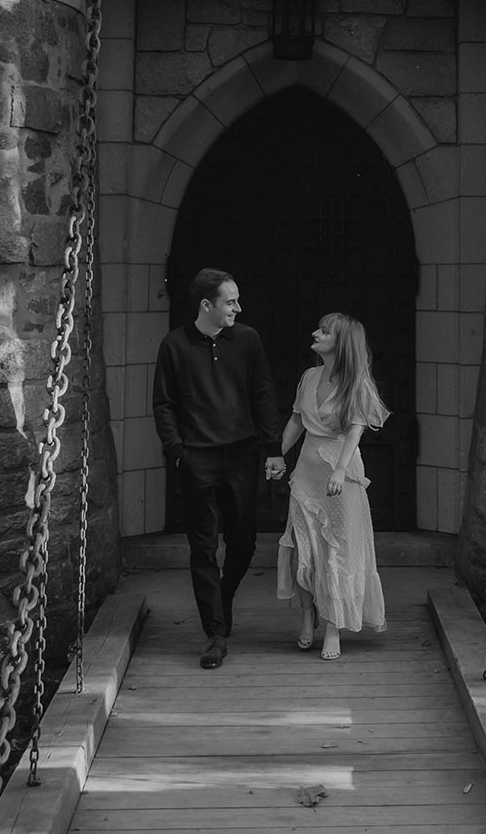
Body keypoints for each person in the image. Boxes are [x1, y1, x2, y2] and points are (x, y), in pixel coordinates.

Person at [152, 267, 281, 670]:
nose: (238, 308)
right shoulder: (174, 344)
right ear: (207, 305)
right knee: (203, 547)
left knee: (244, 542)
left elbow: (263, 393)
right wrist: (178, 451)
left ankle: (222, 599)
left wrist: (272, 449)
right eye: (230, 301)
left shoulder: (247, 339)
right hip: (197, 459)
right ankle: (215, 633)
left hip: (241, 455)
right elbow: (164, 403)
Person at [271, 312, 388, 660]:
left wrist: (339, 470)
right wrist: (277, 454)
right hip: (306, 473)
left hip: (340, 474)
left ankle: (334, 625)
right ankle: (308, 615)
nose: (315, 333)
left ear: (341, 343)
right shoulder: (310, 376)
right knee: (301, 546)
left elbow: (355, 430)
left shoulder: (357, 382)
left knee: (337, 549)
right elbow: (296, 419)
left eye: (324, 332)